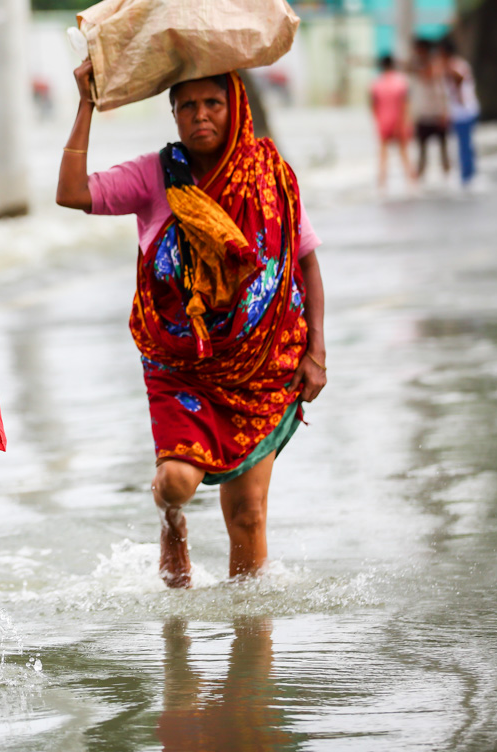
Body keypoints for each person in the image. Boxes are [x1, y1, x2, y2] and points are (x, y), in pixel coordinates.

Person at [56, 60, 327, 588]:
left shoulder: (269, 175)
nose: (201, 116)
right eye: (188, 106)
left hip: (264, 364)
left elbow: (306, 263)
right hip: (182, 367)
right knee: (177, 481)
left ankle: (249, 655)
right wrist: (87, 102)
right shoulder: (155, 177)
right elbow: (71, 193)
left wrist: (316, 351)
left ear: (236, 108)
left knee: (248, 514)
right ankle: (171, 519)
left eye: (213, 104)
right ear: (174, 114)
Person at [369, 54, 414, 190]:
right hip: (399, 122)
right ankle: (411, 183)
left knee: (383, 155)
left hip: (383, 123)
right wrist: (406, 122)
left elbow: (373, 105)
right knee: (404, 154)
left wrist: (377, 121)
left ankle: (382, 184)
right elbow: (405, 105)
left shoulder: (376, 83)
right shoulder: (401, 82)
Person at [440, 37, 480, 186]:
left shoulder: (456, 65)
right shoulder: (457, 64)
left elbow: (460, 79)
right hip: (460, 111)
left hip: (464, 111)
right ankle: (468, 175)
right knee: (465, 145)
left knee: (464, 146)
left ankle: (467, 177)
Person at [410, 39, 451, 181]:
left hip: (437, 113)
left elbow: (442, 90)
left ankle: (448, 179)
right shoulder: (417, 65)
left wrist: (444, 112)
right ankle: (420, 181)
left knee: (443, 151)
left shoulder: (436, 65)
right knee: (422, 151)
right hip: (423, 114)